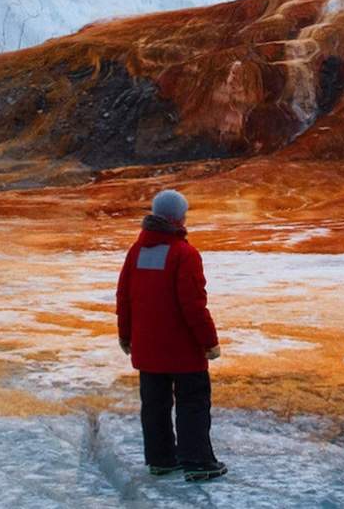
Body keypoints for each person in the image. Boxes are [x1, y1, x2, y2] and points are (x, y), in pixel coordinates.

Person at [116, 189, 226, 483]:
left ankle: (161, 459)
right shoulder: (184, 254)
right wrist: (209, 342)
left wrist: (125, 335)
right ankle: (198, 462)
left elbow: (124, 297)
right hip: (182, 350)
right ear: (178, 218)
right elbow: (193, 305)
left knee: (155, 405)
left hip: (148, 348)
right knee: (193, 402)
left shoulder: (136, 252)